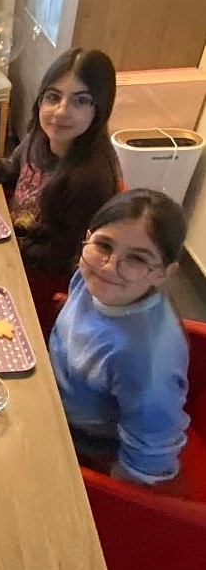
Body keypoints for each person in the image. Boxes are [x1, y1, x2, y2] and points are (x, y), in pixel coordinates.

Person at [0, 49, 121, 335]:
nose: (61, 111)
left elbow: (59, 260)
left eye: (80, 101)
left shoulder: (90, 180)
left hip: (38, 283)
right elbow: (15, 169)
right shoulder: (43, 136)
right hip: (14, 247)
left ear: (100, 108)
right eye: (53, 97)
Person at [49, 188, 189, 485]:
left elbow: (149, 462)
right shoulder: (94, 275)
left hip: (85, 443)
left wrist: (103, 494)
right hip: (50, 394)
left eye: (137, 258)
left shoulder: (144, 360)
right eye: (103, 245)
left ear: (163, 273)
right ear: (89, 238)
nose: (110, 266)